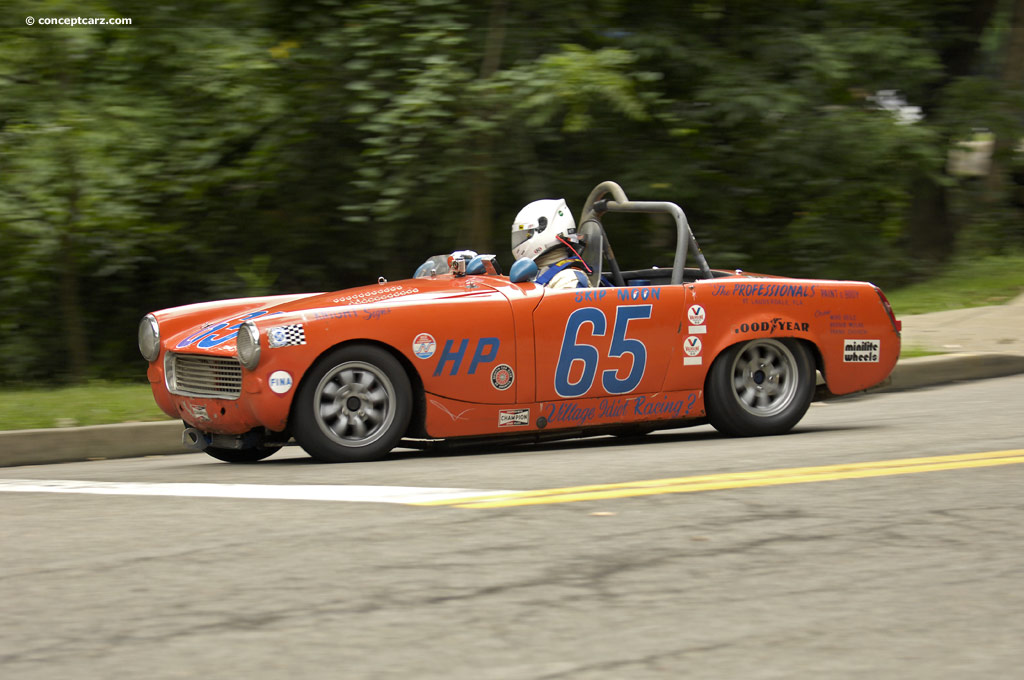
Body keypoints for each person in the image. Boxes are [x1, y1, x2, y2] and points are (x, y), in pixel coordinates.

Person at [510, 198, 592, 289]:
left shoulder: (569, 279)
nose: (520, 239)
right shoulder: (535, 275)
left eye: (526, 234)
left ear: (542, 230)